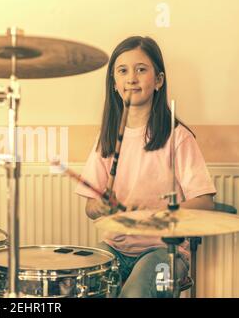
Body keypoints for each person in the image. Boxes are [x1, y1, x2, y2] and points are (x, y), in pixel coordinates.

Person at [75, 36, 216, 298]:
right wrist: (101, 206)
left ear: (159, 80)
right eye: (123, 70)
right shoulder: (106, 138)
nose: (132, 78)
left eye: (141, 69)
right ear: (114, 84)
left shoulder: (177, 136)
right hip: (114, 247)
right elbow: (90, 208)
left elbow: (205, 203)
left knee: (136, 293)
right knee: (85, 288)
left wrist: (159, 212)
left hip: (166, 253)